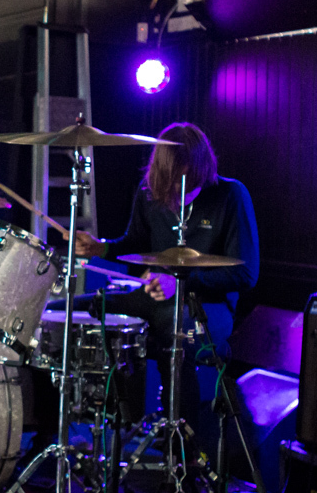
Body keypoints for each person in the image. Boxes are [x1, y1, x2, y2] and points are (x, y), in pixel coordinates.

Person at [69, 121, 260, 439]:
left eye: (184, 180)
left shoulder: (231, 195)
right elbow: (136, 246)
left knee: (178, 335)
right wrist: (101, 247)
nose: (176, 191)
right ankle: (103, 427)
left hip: (208, 308)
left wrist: (183, 282)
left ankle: (183, 456)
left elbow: (245, 274)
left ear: (201, 168)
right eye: (169, 181)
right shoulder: (149, 194)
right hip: (154, 297)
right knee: (63, 316)